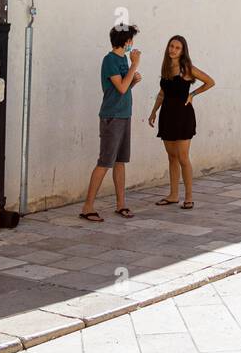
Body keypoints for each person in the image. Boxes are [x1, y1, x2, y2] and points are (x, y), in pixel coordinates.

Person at [79, 24, 142, 222]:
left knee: (120, 161)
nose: (133, 43)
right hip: (112, 117)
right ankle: (87, 207)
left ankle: (121, 204)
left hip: (124, 115)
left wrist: (133, 80)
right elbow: (121, 88)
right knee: (105, 162)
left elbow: (124, 86)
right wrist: (134, 66)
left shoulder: (123, 59)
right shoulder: (110, 60)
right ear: (126, 41)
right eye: (131, 39)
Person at [148, 35, 214, 210]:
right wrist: (154, 111)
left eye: (177, 47)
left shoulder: (187, 69)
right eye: (171, 46)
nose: (173, 50)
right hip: (167, 115)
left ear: (183, 51)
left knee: (183, 158)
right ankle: (173, 195)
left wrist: (192, 95)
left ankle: (189, 197)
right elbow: (162, 93)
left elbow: (210, 82)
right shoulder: (166, 68)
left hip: (183, 116)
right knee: (171, 157)